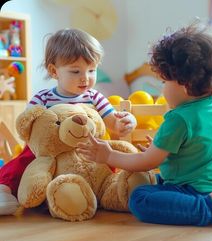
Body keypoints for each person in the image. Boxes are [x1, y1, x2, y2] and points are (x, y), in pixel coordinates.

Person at [76, 22, 212, 228]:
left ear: (185, 85)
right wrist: (160, 151)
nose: (162, 89)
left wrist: (108, 156)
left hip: (194, 191)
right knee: (150, 182)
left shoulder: (178, 118)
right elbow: (198, 152)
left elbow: (146, 162)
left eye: (164, 82)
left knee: (140, 198)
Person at [0, 28, 137, 215]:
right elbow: (27, 125)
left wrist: (127, 121)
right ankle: (5, 190)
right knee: (24, 159)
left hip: (88, 153)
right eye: (75, 71)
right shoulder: (44, 97)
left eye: (92, 70)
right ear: (54, 71)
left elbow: (113, 122)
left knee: (109, 156)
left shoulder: (95, 97)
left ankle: (112, 190)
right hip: (53, 153)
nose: (85, 78)